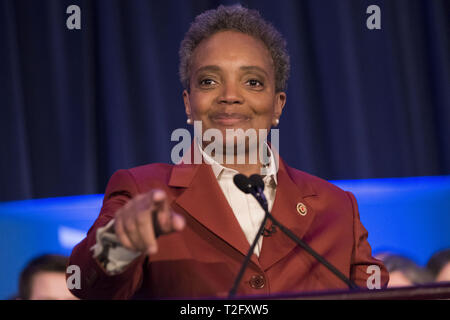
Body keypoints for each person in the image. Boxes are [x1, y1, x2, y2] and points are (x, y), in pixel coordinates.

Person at [68, 4, 388, 299]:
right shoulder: (144, 190)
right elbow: (83, 283)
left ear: (278, 105)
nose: (230, 96)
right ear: (188, 104)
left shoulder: (336, 207)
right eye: (209, 81)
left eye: (252, 82)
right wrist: (120, 244)